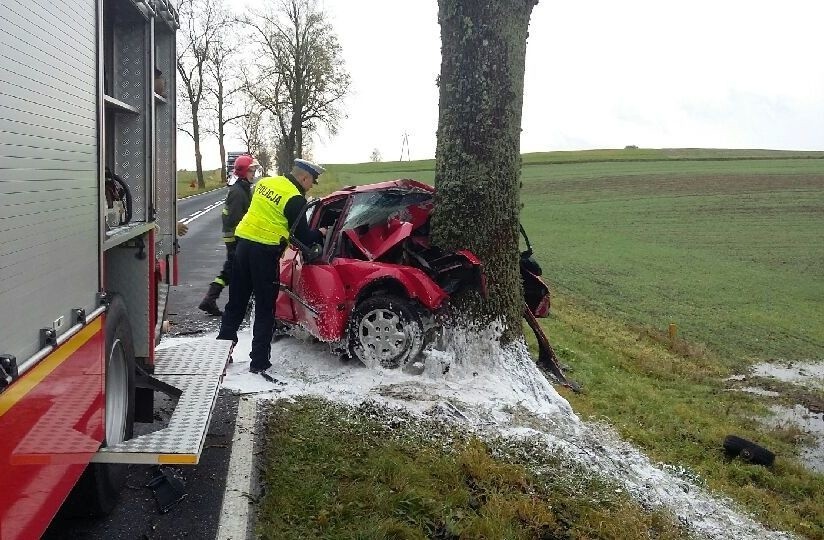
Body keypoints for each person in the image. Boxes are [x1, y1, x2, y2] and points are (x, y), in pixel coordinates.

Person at [217, 158, 326, 373]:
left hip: (242, 247)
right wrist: (320, 234)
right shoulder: (294, 199)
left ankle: (221, 354)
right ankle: (259, 362)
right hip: (264, 255)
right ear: (304, 177)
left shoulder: (265, 183)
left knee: (236, 303)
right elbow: (303, 236)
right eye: (312, 181)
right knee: (265, 308)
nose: (311, 186)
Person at [198, 154, 259, 316]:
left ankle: (211, 300)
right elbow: (235, 218)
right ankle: (218, 302)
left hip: (236, 237)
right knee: (237, 270)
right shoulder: (239, 192)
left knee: (232, 269)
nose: (254, 174)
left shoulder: (243, 188)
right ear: (244, 171)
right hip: (235, 238)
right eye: (251, 170)